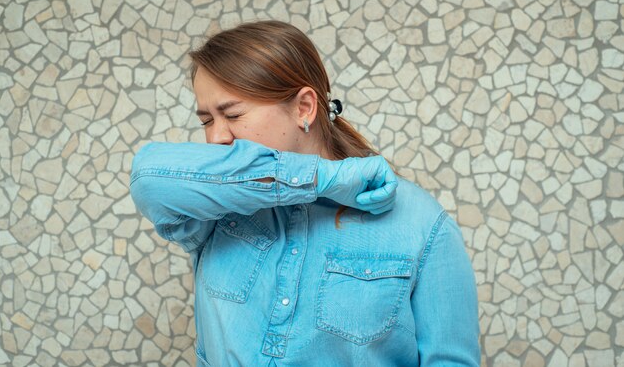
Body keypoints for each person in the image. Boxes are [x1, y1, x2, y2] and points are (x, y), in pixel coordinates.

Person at [129, 20, 480, 366]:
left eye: (232, 114)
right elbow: (147, 176)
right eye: (207, 120)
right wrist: (325, 178)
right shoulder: (216, 209)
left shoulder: (421, 223)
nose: (217, 137)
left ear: (304, 108)